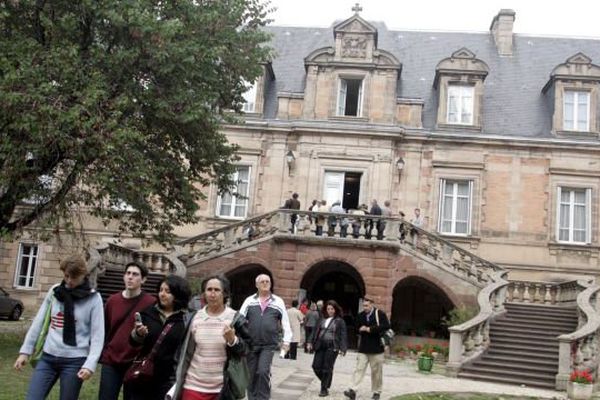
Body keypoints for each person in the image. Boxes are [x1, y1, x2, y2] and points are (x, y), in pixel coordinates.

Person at [14, 254, 105, 400]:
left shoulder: (93, 298)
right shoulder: (55, 291)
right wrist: (25, 351)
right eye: (66, 276)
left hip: (75, 361)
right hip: (48, 357)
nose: (69, 281)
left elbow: (98, 335)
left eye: (74, 277)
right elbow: (39, 321)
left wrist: (90, 364)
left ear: (83, 275)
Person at [168, 275, 250, 400]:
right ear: (204, 293)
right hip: (193, 386)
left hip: (221, 389)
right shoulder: (194, 318)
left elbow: (247, 350)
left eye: (217, 290)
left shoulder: (235, 318)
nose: (212, 294)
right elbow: (184, 353)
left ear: (225, 294)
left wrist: (233, 340)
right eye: (209, 289)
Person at [99, 261, 156, 400]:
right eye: (128, 273)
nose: (130, 277)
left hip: (135, 361)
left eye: (135, 274)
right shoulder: (113, 300)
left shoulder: (151, 303)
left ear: (143, 279)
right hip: (111, 361)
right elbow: (105, 329)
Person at [128, 275, 191, 400]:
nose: (162, 294)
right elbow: (133, 343)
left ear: (178, 294)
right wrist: (138, 334)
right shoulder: (148, 313)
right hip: (145, 375)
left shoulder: (187, 318)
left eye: (167, 291)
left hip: (170, 379)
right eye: (161, 290)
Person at [239, 274, 292, 400]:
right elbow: (239, 320)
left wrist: (287, 341)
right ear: (257, 285)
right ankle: (252, 398)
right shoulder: (249, 300)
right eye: (262, 281)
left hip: (268, 345)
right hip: (251, 344)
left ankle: (263, 398)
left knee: (262, 372)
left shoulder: (278, 301)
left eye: (267, 281)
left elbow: (285, 323)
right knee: (251, 374)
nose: (265, 283)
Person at [344, 297, 390, 400]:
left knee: (376, 372)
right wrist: (359, 329)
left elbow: (386, 326)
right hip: (363, 348)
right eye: (364, 305)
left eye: (367, 305)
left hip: (377, 348)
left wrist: (370, 329)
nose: (365, 307)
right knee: (359, 369)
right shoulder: (360, 315)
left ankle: (376, 392)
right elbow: (356, 328)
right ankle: (352, 390)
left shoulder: (380, 314)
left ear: (372, 305)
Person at [308, 300, 347, 397]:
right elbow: (314, 331)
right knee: (316, 366)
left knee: (326, 368)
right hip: (320, 345)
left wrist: (343, 348)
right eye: (328, 309)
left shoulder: (340, 321)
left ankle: (323, 389)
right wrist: (309, 342)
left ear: (335, 310)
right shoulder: (321, 319)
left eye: (332, 309)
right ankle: (326, 381)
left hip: (332, 346)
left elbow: (343, 335)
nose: (330, 311)